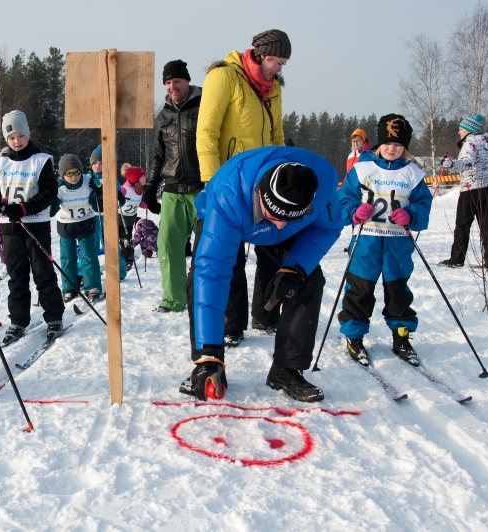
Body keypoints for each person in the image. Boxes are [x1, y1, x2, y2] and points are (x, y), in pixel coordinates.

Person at [183, 146, 342, 403]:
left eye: (290, 218)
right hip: (228, 216)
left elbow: (327, 228)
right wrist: (209, 354)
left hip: (275, 225)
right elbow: (212, 272)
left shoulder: (320, 187)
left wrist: (294, 268)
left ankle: (285, 369)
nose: (279, 224)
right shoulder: (229, 195)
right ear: (261, 195)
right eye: (274, 215)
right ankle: (209, 362)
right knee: (204, 277)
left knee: (308, 279)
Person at [196, 29, 290, 347]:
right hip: (229, 182)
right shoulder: (224, 77)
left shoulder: (274, 88)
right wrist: (211, 181)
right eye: (277, 61)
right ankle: (231, 324)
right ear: (262, 56)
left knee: (274, 245)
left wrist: (282, 175)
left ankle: (266, 313)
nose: (280, 69)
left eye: (284, 63)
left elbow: (277, 136)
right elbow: (207, 130)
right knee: (230, 255)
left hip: (264, 183)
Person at [337, 114, 433, 367]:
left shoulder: (413, 173)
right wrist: (355, 212)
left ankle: (401, 336)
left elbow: (424, 206)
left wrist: (411, 215)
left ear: (405, 148)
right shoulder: (362, 169)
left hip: (398, 242)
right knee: (360, 290)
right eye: (388, 143)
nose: (393, 149)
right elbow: (344, 200)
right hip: (366, 241)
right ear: (379, 144)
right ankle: (354, 337)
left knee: (398, 291)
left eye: (399, 145)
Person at [0, 110, 65, 345]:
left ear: (27, 134)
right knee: (16, 275)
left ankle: (54, 317)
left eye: (19, 135)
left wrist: (24, 208)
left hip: (35, 223)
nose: (16, 141)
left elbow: (49, 193)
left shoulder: (42, 160)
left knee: (42, 272)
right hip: (9, 227)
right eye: (11, 138)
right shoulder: (0, 163)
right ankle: (18, 320)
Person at [145, 59, 204, 313]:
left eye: (176, 81)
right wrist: (150, 187)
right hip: (172, 191)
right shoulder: (163, 117)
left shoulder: (205, 107)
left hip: (202, 189)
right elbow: (158, 156)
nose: (172, 86)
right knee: (167, 246)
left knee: (206, 250)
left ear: (187, 81)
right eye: (168, 83)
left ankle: (203, 299)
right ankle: (173, 299)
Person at [439, 114, 488, 269]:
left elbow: (467, 162)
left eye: (461, 129)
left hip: (472, 189)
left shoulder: (470, 142)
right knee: (487, 225)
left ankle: (457, 259)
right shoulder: (485, 142)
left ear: (469, 130)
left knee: (462, 224)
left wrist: (452, 163)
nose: (459, 132)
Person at [53, 154, 103, 303]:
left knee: (88, 256)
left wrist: (97, 193)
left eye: (76, 173)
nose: (74, 177)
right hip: (66, 224)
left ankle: (93, 287)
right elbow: (51, 209)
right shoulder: (59, 186)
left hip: (85, 222)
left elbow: (98, 205)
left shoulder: (88, 182)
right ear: (63, 174)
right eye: (69, 174)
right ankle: (69, 287)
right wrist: (50, 198)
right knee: (67, 258)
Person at [85, 144, 127, 281]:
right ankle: (90, 275)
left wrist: (116, 195)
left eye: (101, 163)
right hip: (91, 216)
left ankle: (118, 272)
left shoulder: (110, 177)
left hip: (108, 217)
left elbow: (121, 199)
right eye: (95, 163)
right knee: (90, 247)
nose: (97, 166)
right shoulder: (86, 178)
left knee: (111, 245)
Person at [119, 164, 147, 271]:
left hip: (130, 220)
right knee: (122, 240)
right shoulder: (125, 189)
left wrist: (148, 199)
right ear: (136, 179)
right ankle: (124, 259)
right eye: (143, 176)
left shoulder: (140, 190)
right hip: (119, 218)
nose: (145, 178)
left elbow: (142, 205)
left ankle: (127, 260)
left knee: (126, 240)